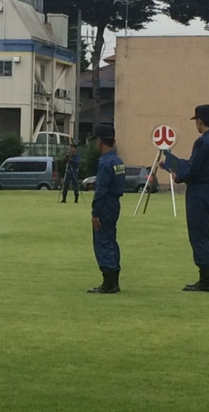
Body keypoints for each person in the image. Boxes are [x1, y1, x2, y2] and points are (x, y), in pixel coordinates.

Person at [161, 105, 209, 292]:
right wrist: (173, 162)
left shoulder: (202, 142)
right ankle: (208, 277)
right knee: (205, 236)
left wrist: (177, 174)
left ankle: (204, 280)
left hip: (198, 192)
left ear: (200, 121)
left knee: (197, 236)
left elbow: (192, 169)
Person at [88, 125, 126, 294]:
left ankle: (108, 282)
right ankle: (115, 280)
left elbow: (100, 190)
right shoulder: (118, 161)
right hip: (115, 202)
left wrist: (95, 213)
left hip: (105, 204)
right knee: (111, 240)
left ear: (100, 141)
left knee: (102, 241)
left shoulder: (105, 162)